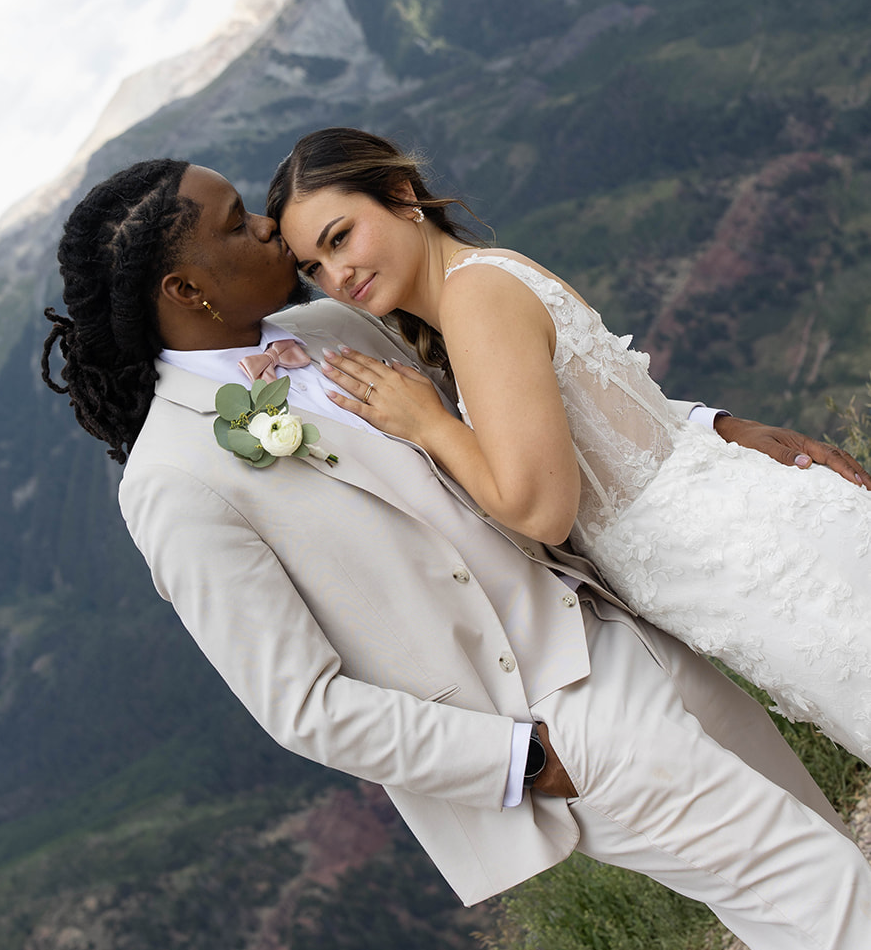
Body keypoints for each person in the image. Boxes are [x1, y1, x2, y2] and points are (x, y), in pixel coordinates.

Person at [42, 156, 871, 950]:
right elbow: (301, 706)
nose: (270, 233)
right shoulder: (171, 480)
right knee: (829, 902)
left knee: (824, 879)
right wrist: (512, 759)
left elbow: (527, 420)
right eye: (238, 223)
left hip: (628, 628)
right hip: (557, 725)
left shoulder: (332, 321)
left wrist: (709, 429)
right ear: (184, 286)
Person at [271, 127, 871, 766]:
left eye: (341, 238)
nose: (337, 275)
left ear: (400, 193)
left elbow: (541, 511)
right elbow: (609, 406)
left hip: (754, 566)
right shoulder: (482, 279)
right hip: (740, 552)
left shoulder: (474, 298)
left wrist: (428, 424)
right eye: (313, 267)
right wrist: (720, 424)